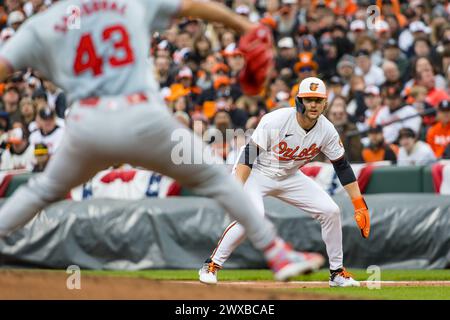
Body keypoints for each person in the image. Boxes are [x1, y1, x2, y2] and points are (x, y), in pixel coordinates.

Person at [0, 0, 324, 282]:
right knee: (216, 177)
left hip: (87, 125)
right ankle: (276, 252)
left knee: (41, 191)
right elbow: (194, 6)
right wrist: (244, 24)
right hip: (143, 117)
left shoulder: (42, 23)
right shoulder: (130, 4)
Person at [199, 77, 371, 287]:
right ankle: (212, 265)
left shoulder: (327, 129)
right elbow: (248, 155)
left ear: (325, 103)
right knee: (253, 215)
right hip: (257, 173)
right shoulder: (277, 120)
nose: (314, 105)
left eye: (318, 100)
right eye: (309, 100)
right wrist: (237, 190)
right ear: (299, 101)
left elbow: (342, 166)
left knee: (331, 211)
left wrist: (358, 203)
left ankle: (336, 273)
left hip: (289, 175)